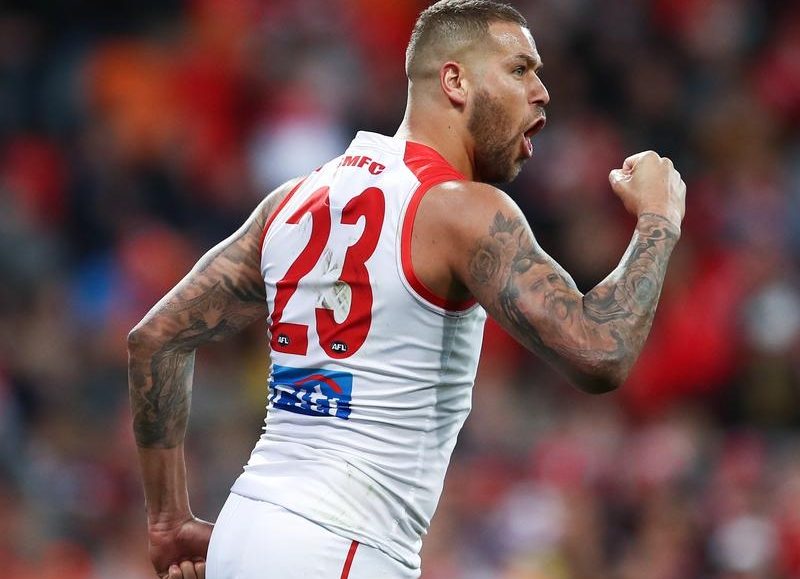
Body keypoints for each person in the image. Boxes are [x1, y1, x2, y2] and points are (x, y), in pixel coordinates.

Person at [127, 1, 686, 577]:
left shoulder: (291, 202)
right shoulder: (462, 211)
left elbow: (156, 339)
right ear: (455, 81)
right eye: (519, 69)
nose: (541, 92)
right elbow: (600, 351)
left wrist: (168, 521)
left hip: (247, 524)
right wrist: (658, 220)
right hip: (342, 543)